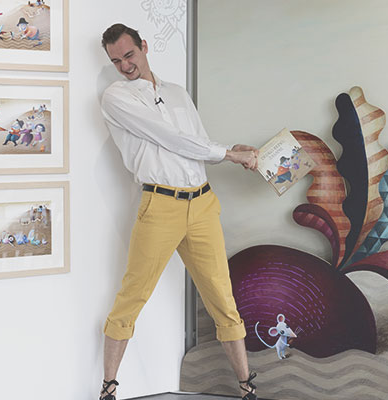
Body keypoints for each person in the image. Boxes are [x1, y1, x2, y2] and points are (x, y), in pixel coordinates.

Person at [98, 23, 259, 400]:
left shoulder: (177, 93)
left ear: (144, 46)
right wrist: (229, 155)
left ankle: (247, 387)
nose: (125, 65)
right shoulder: (116, 97)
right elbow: (168, 138)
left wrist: (229, 149)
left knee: (223, 298)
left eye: (129, 55)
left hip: (202, 203)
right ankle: (108, 388)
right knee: (132, 295)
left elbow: (196, 143)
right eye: (116, 61)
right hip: (160, 206)